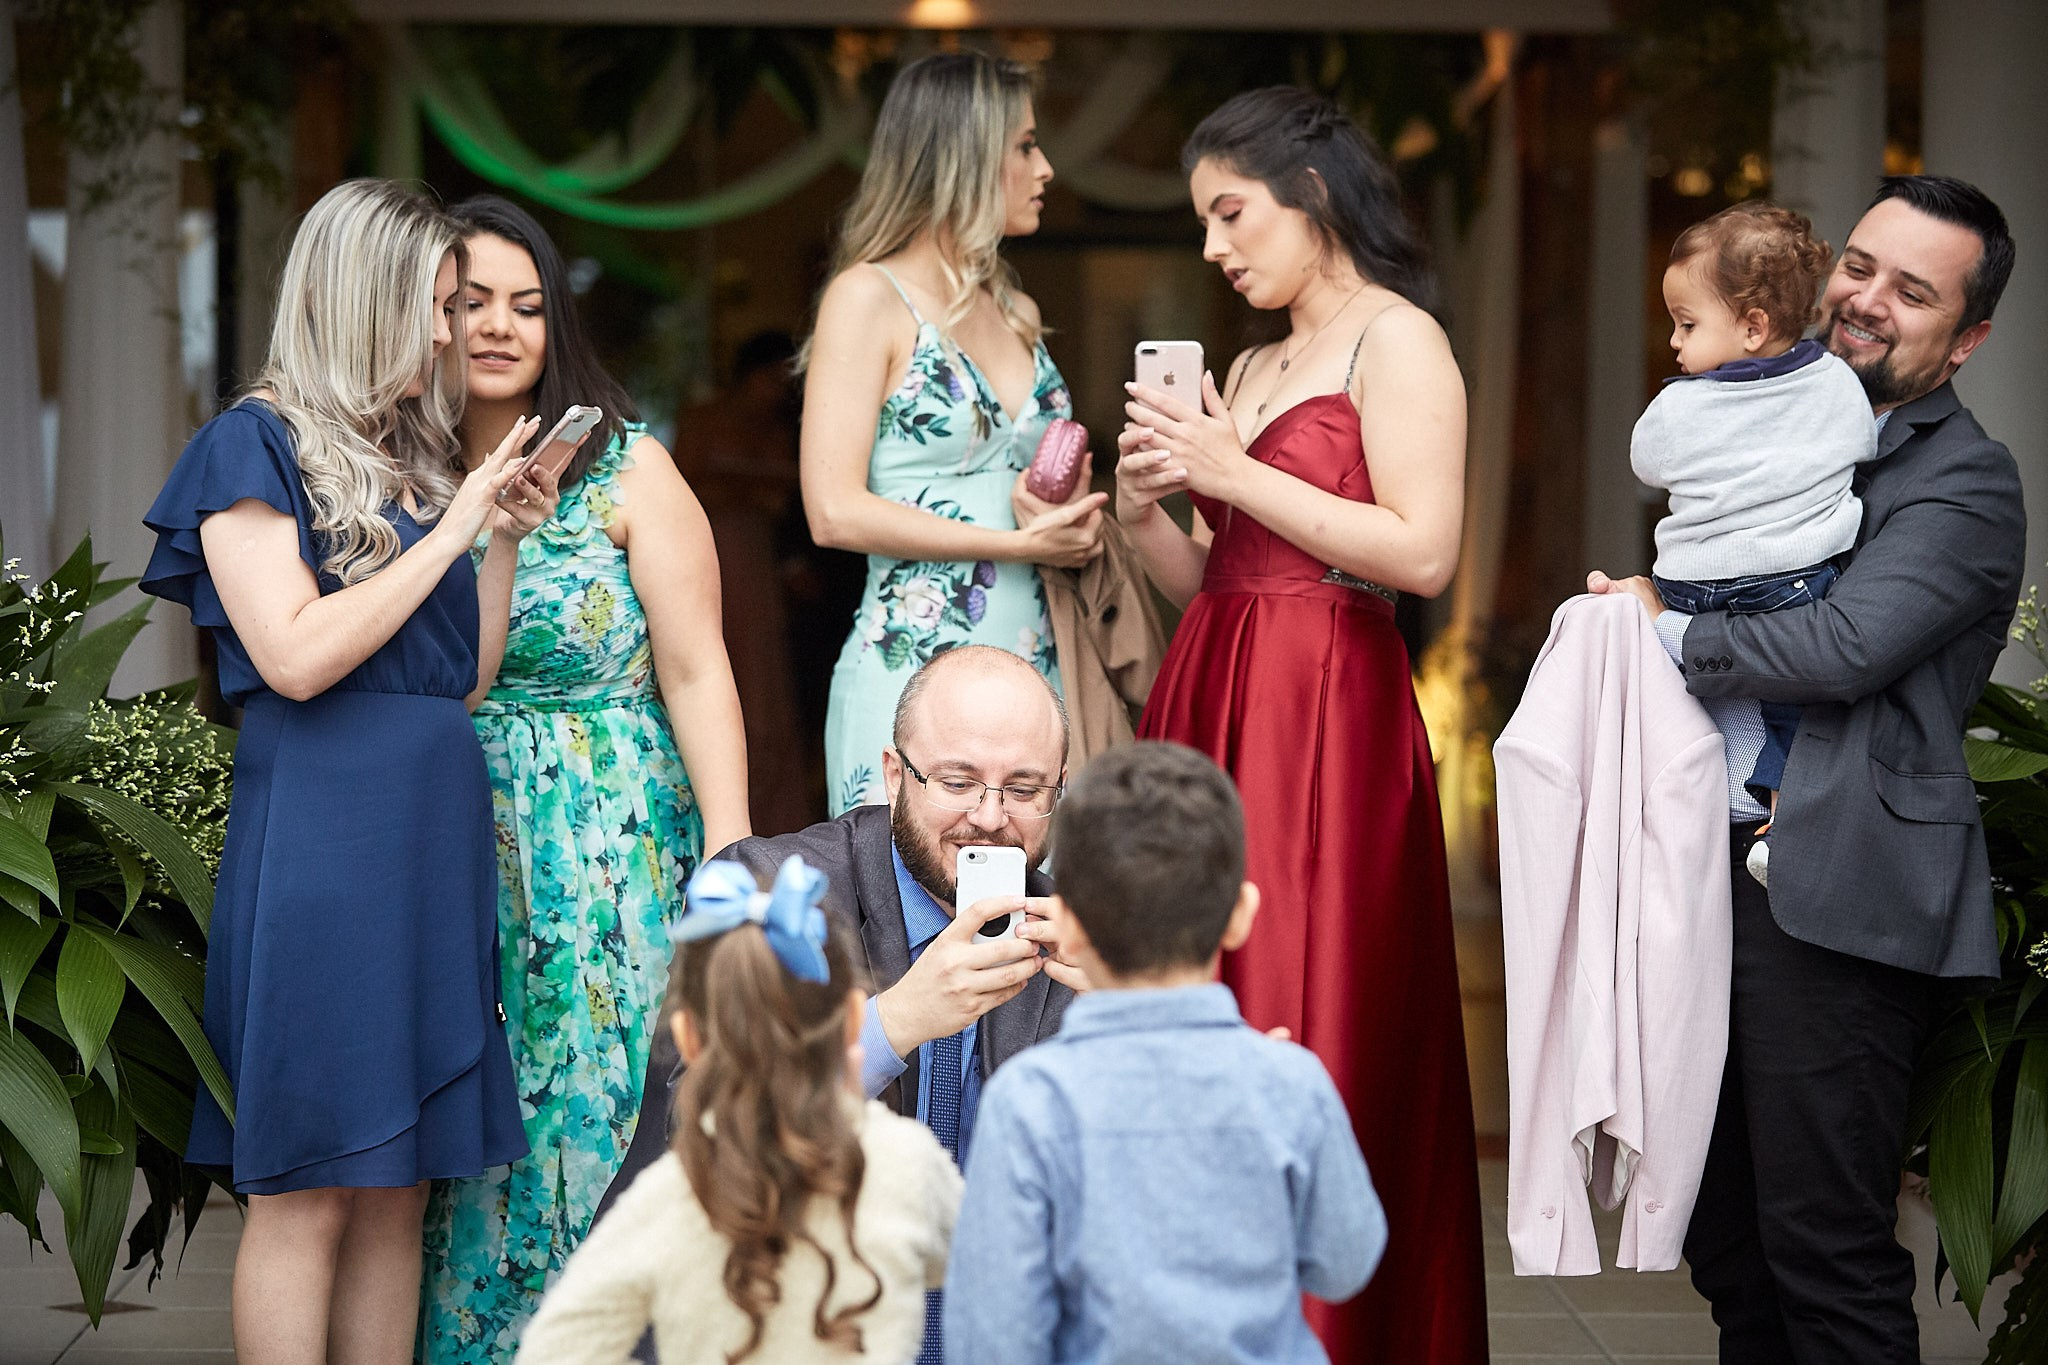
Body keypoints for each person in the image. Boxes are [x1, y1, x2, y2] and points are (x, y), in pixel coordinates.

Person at [1589, 174, 2023, 1363]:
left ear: (1967, 336)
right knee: (1726, 1244)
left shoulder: (1960, 480)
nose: (1868, 300)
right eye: (1859, 267)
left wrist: (1657, 623)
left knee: (1822, 1250)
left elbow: (1839, 647)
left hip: (1836, 894)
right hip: (1704, 874)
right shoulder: (1750, 417)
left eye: (1913, 290)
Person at [138, 179, 548, 1362]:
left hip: (427, 840)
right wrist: (460, 525)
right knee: (312, 1178)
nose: (445, 331)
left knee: (399, 1181)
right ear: (366, 301)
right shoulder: (250, 443)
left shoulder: (410, 455)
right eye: (434, 303)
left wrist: (500, 537)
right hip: (329, 840)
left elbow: (459, 677)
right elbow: (298, 655)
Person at [1117, 87, 1486, 1361]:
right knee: (1189, 994)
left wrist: (1232, 472)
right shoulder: (1251, 361)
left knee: (1312, 1001)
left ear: (1312, 194)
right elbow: (1217, 572)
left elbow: (1422, 553)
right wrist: (1144, 506)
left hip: (1326, 705)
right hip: (1214, 680)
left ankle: (1332, 1326)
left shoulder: (1399, 342)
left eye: (1231, 213)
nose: (1214, 247)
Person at [418, 194, 751, 1362]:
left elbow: (699, 669)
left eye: (525, 304)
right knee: (475, 1113)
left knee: (612, 1095)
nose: (500, 327)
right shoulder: (394, 476)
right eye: (469, 303)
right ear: (425, 316)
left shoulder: (628, 466)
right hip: (455, 827)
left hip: (612, 832)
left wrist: (731, 849)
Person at [600, 645, 1079, 1365]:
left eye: (1023, 788)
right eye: (958, 781)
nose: (990, 817)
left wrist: (1133, 1029)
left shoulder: (1071, 938)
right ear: (894, 775)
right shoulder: (767, 891)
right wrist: (895, 1022)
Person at [945, 741, 1386, 1364]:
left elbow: (993, 1339)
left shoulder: (1030, 1100)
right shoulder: (1290, 1082)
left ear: (1065, 922)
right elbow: (1345, 1262)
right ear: (1239, 916)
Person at [801, 49, 1107, 815]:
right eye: (1026, 146)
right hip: (913, 671)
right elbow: (832, 511)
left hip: (1038, 666)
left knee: (1037, 923)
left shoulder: (1018, 310)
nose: (1045, 169)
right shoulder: (866, 297)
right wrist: (1017, 545)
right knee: (907, 920)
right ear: (967, 154)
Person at [515, 859, 961, 1364]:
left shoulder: (668, 1199)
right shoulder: (908, 1163)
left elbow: (554, 1352)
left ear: (687, 1039)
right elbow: (971, 1264)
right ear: (855, 1016)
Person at [1633, 201, 1877, 886]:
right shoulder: (1835, 380)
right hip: (1789, 586)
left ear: (1752, 325)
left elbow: (1646, 462)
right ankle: (1777, 811)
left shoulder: (1683, 403)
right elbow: (1861, 444)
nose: (1676, 344)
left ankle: (1708, 799)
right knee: (1795, 705)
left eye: (1686, 324)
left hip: (1693, 584)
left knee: (1698, 690)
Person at [676, 330, 812, 835]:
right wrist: (749, 488)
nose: (777, 391)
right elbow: (686, 483)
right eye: (770, 379)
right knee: (715, 665)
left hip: (754, 560)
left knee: (764, 684)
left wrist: (735, 486)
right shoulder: (704, 416)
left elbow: (787, 498)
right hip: (709, 552)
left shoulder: (779, 430)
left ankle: (774, 822)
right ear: (749, 375)